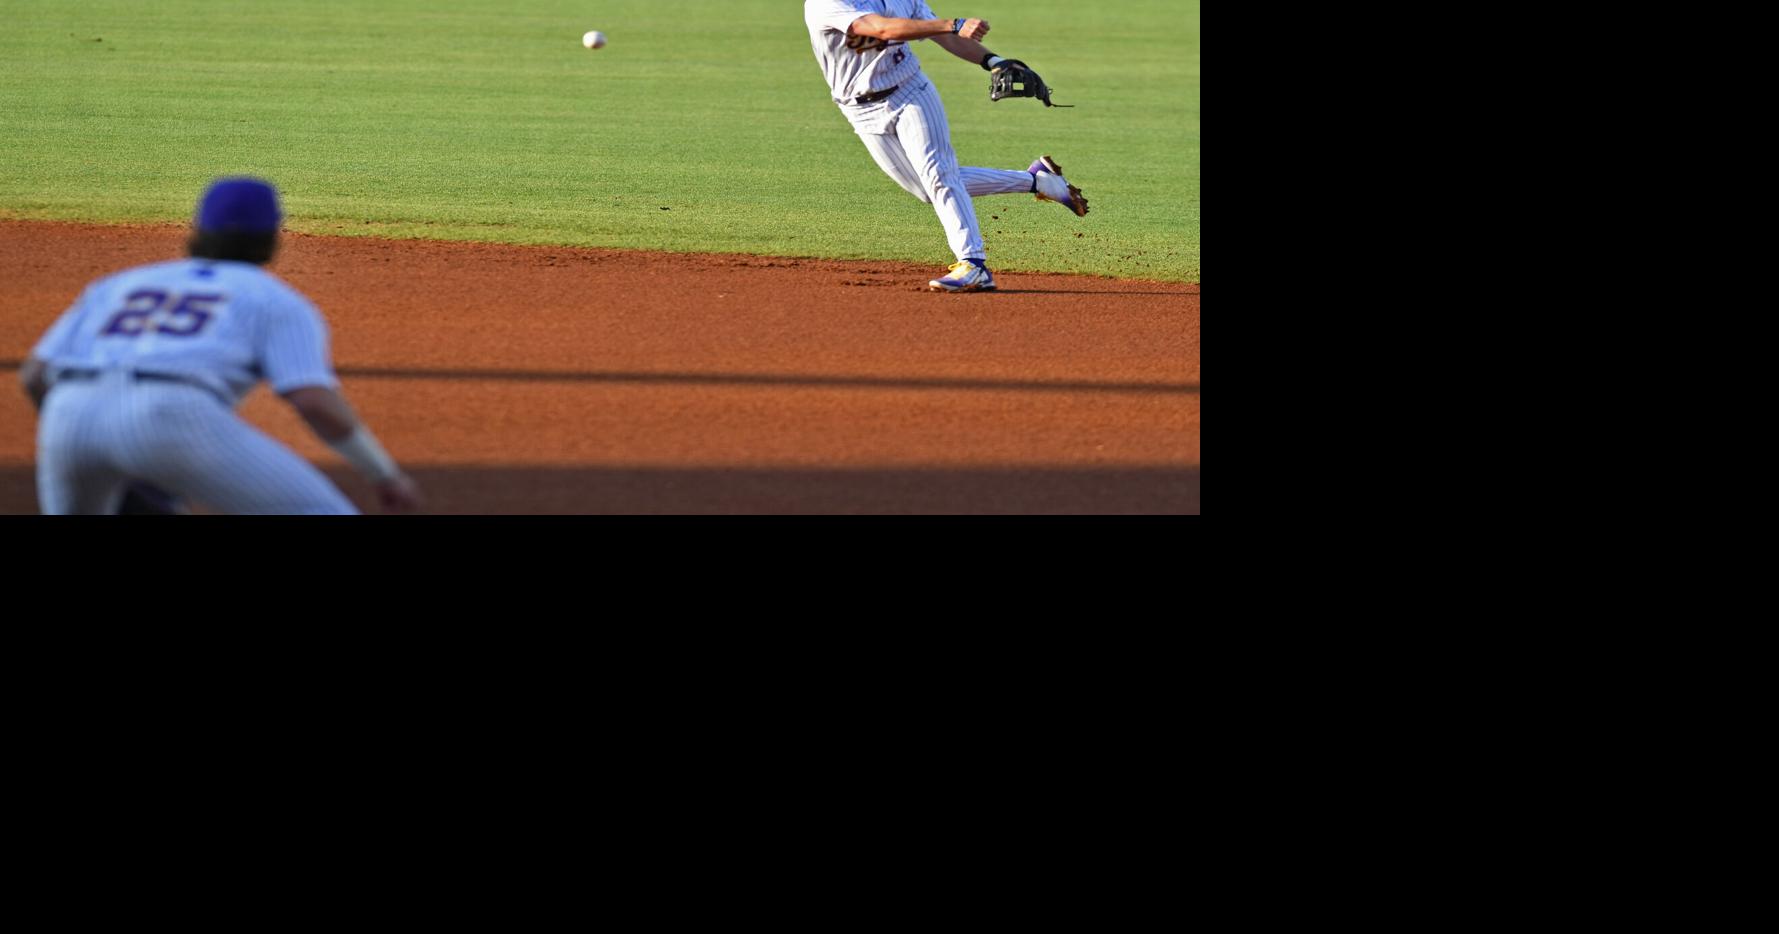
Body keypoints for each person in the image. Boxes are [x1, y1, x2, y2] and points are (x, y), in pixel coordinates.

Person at [17, 177, 424, 515]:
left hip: (68, 414)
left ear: (198, 231)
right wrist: (385, 475)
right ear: (271, 238)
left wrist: (87, 432)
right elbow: (313, 401)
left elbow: (34, 376)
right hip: (171, 415)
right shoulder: (273, 300)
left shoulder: (120, 285)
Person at [804, 1, 1088, 293]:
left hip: (911, 93)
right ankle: (1038, 181)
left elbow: (945, 36)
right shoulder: (827, 3)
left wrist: (993, 61)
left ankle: (973, 264)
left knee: (938, 174)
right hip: (859, 109)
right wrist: (951, 23)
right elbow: (881, 28)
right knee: (927, 189)